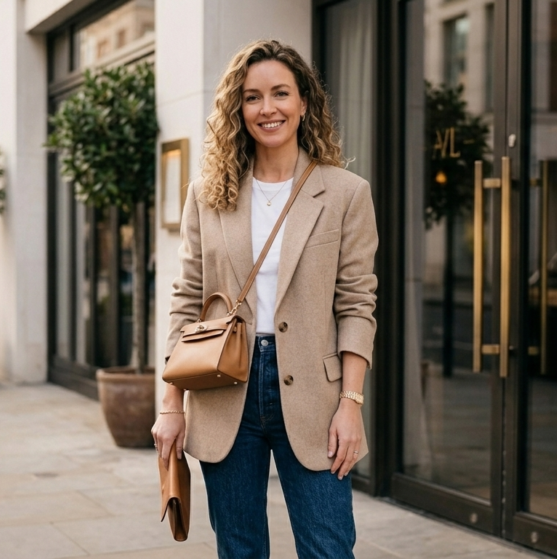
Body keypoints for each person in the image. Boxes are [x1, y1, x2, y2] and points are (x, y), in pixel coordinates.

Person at [152, 40, 378, 558]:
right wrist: (171, 405)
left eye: (280, 93)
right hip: (222, 387)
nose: (267, 108)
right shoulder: (208, 194)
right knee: (239, 548)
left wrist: (351, 402)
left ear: (304, 103)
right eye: (253, 97)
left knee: (328, 547)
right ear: (239, 108)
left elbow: (357, 305)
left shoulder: (345, 193)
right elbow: (186, 301)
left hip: (316, 397)